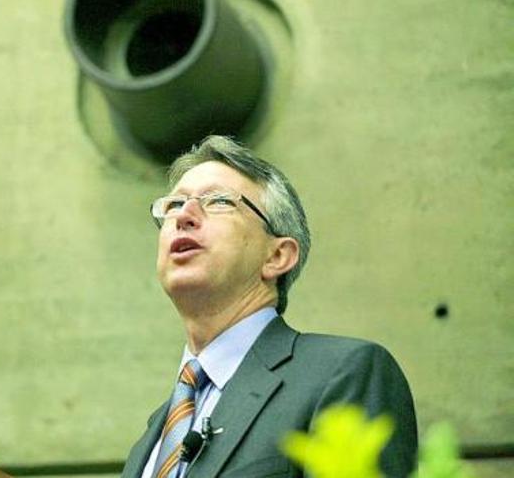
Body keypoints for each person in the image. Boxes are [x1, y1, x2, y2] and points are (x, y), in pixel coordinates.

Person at [121, 136, 417, 478]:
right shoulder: (152, 436)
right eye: (174, 205)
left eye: (218, 201)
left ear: (277, 256)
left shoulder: (343, 373)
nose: (184, 215)